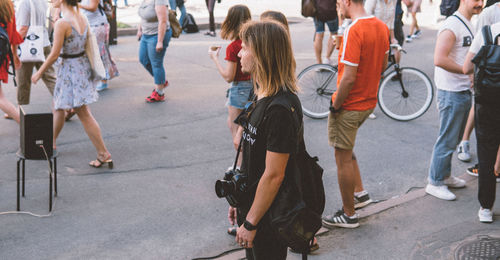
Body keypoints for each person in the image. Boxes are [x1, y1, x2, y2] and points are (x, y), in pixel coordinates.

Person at [227, 20, 302, 259]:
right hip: (254, 206)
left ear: (261, 53)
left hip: (269, 216)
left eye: (245, 47)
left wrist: (251, 222)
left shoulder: (280, 108)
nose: (239, 52)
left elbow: (274, 175)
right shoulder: (261, 94)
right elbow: (252, 161)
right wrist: (238, 201)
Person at [321, 0, 389, 228]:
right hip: (368, 101)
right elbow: (383, 64)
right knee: (348, 149)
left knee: (342, 158)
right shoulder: (380, 26)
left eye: (339, 2)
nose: (337, 6)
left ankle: (349, 214)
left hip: (350, 104)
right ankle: (360, 194)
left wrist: (335, 104)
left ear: (348, 2)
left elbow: (348, 77)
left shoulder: (354, 30)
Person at [31, 0, 113, 168]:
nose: (50, 0)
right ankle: (51, 142)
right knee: (59, 107)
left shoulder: (63, 23)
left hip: (70, 71)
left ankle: (103, 153)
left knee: (84, 114)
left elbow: (54, 54)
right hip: (79, 68)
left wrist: (39, 72)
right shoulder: (81, 17)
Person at [426, 0, 483, 201]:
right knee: (447, 139)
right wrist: (464, 70)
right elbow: (439, 59)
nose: (480, 3)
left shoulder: (469, 22)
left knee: (455, 138)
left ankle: (445, 175)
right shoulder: (452, 25)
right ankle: (434, 182)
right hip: (450, 91)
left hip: (462, 90)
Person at [207, 4, 252, 237]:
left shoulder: (235, 46)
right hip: (252, 88)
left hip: (238, 90)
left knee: (239, 140)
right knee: (237, 129)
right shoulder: (251, 41)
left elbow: (228, 76)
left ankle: (241, 172)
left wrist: (215, 58)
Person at [462, 21, 500, 223]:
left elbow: (466, 67)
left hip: (488, 103)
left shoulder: (488, 32)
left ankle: (486, 207)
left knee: (486, 152)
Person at [15, 0, 57, 108]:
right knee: (50, 77)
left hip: (28, 45)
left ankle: (21, 109)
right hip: (44, 42)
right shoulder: (41, 1)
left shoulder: (24, 2)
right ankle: (67, 104)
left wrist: (13, 45)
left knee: (23, 79)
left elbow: (23, 28)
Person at [80, 0, 119, 92]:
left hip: (97, 26)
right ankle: (97, 79)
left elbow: (93, 8)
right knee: (92, 54)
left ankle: (103, 80)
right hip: (90, 25)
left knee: (100, 53)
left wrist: (78, 5)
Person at [137, 0, 172, 103]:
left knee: (156, 63)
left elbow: (163, 21)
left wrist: (160, 41)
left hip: (157, 35)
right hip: (146, 34)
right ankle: (161, 80)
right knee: (143, 59)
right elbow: (143, 15)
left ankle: (159, 93)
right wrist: (140, 29)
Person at [0, 0, 22, 123]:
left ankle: (27, 125)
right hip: (2, 57)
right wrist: (15, 55)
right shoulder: (9, 7)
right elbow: (13, 35)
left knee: (0, 97)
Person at [313, 0, 338, 64]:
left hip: (317, 11)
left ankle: (319, 62)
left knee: (319, 34)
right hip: (331, 11)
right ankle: (327, 58)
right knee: (334, 33)